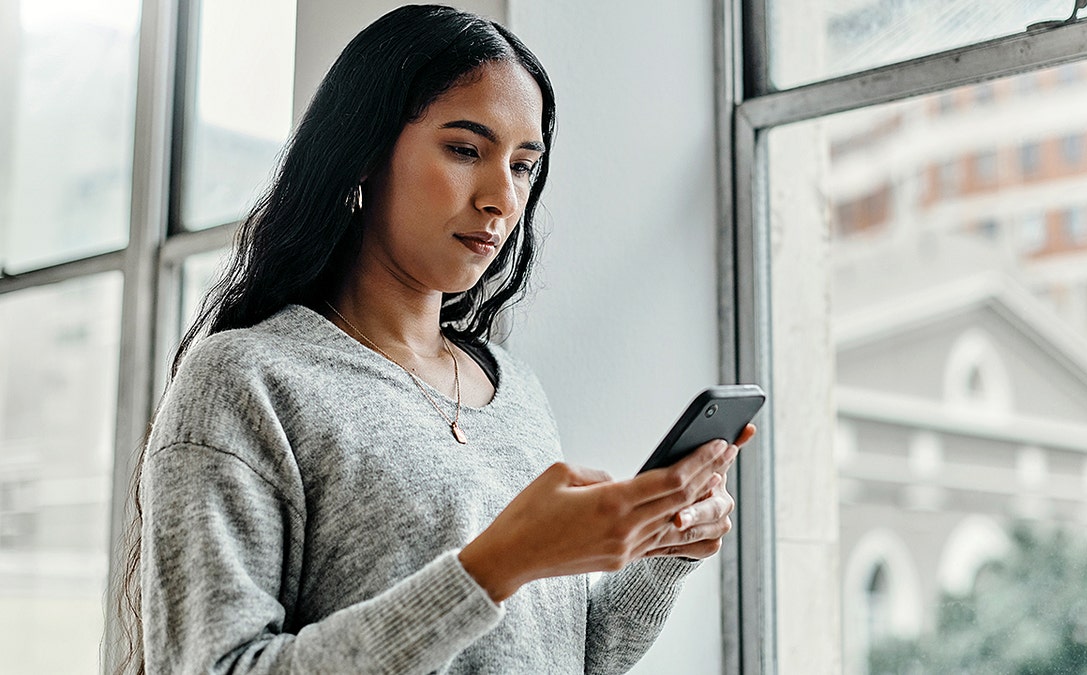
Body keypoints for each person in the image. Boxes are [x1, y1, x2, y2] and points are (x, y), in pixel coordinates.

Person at [120, 5, 753, 673]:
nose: (502, 198)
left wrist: (661, 555)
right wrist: (498, 564)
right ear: (364, 154)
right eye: (466, 150)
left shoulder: (515, 390)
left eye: (523, 166)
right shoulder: (246, 380)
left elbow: (563, 657)